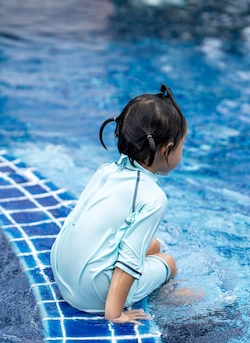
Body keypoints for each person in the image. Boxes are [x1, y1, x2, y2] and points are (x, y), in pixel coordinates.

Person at [50, 84, 187, 325]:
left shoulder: (105, 171)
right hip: (91, 294)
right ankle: (165, 299)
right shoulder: (153, 197)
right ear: (168, 149)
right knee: (168, 261)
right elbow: (129, 259)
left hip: (62, 271)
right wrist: (114, 313)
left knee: (154, 245)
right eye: (182, 145)